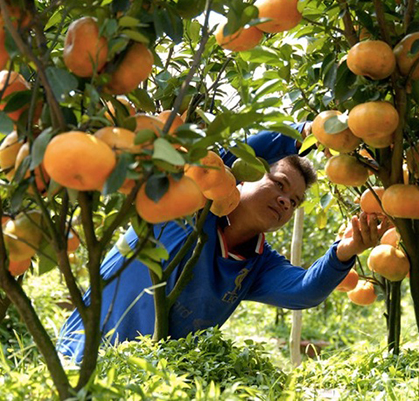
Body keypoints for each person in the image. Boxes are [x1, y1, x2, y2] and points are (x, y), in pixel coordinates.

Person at [57, 123, 386, 362]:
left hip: (152, 382)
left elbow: (302, 290)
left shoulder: (257, 265)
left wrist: (344, 252)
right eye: (280, 185)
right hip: (81, 355)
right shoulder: (188, 204)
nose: (286, 202)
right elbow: (227, 156)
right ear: (244, 175)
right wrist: (307, 132)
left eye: (295, 201)